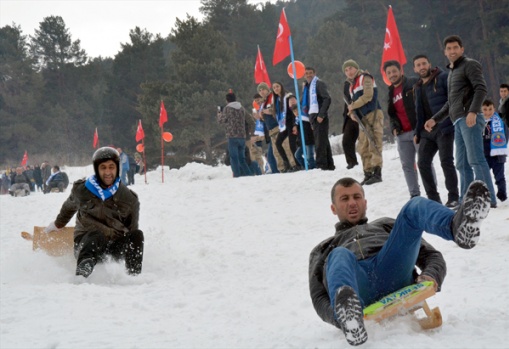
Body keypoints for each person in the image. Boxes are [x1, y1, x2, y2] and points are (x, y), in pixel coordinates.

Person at [309, 177, 491, 346]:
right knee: (339, 254)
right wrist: (339, 319)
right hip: (356, 286)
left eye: (357, 197)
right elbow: (319, 297)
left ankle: (456, 227)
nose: (352, 203)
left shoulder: (385, 224)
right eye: (344, 199)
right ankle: (348, 313)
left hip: (392, 269)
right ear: (333, 208)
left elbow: (432, 256)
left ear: (365, 202)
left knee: (413, 206)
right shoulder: (324, 248)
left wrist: (430, 275)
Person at [43, 147, 144, 278]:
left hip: (113, 246)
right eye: (103, 167)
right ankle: (82, 274)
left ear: (117, 168)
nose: (108, 172)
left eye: (111, 167)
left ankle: (134, 276)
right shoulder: (82, 190)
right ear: (97, 169)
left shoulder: (129, 198)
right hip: (87, 244)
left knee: (137, 235)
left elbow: (132, 229)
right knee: (96, 235)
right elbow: (68, 208)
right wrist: (57, 224)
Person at [425, 35, 497, 208]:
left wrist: (473, 111)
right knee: (462, 163)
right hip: (458, 120)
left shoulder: (470, 65)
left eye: (455, 47)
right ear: (445, 52)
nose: (452, 51)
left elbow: (481, 88)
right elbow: (451, 102)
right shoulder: (452, 72)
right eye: (449, 48)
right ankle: (467, 200)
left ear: (462, 49)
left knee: (476, 160)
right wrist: (435, 119)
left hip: (470, 118)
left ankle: (487, 199)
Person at [413, 54, 459, 207]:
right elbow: (419, 113)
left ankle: (453, 197)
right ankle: (433, 199)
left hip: (444, 127)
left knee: (446, 161)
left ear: (429, 64)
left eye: (424, 64)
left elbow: (451, 100)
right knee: (423, 163)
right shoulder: (418, 87)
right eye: (418, 65)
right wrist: (417, 132)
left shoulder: (442, 78)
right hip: (427, 133)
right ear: (414, 69)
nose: (422, 67)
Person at [343, 59, 384, 184]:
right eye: (346, 70)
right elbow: (351, 105)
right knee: (363, 147)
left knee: (374, 143)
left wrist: (353, 106)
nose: (348, 72)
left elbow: (368, 96)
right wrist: (351, 114)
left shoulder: (365, 78)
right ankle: (368, 172)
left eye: (350, 68)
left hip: (373, 114)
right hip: (361, 118)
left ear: (356, 68)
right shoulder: (351, 86)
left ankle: (377, 173)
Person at [384, 60, 421, 198]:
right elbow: (392, 113)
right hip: (402, 135)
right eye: (389, 73)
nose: (392, 75)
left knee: (424, 164)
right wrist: (394, 128)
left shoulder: (412, 82)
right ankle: (414, 195)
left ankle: (432, 192)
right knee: (407, 166)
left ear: (400, 71)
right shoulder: (390, 92)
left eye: (394, 71)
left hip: (417, 131)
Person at [302, 67, 335, 171]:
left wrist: (321, 115)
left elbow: (327, 98)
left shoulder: (318, 83)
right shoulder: (307, 87)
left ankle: (321, 165)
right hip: (313, 116)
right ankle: (329, 164)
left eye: (310, 73)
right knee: (323, 141)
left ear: (314, 73)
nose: (308, 75)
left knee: (320, 143)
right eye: (306, 73)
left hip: (320, 116)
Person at [217, 90, 252, 178]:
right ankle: (249, 174)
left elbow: (222, 121)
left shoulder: (227, 108)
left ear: (227, 100)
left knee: (234, 158)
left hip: (232, 135)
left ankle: (236, 175)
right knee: (242, 158)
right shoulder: (241, 108)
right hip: (242, 136)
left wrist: (219, 115)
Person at [482, 99, 507, 202]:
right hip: (484, 154)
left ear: (494, 109)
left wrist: (501, 147)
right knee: (483, 176)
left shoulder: (500, 121)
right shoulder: (478, 121)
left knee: (499, 177)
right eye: (485, 109)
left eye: (490, 109)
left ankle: (502, 194)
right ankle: (483, 195)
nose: (488, 112)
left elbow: (506, 136)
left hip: (498, 155)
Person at [272, 82, 299, 172]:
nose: (276, 89)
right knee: (278, 143)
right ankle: (286, 163)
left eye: (277, 86)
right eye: (274, 87)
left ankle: (298, 164)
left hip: (291, 123)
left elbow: (295, 110)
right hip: (284, 125)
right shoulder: (277, 100)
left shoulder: (288, 97)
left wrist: (295, 124)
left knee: (292, 145)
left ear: (281, 87)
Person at [257, 82, 279, 174]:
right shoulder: (264, 101)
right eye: (260, 90)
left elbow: (275, 110)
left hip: (277, 128)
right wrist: (261, 116)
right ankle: (276, 171)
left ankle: (277, 171)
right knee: (271, 155)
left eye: (263, 89)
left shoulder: (272, 98)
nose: (262, 92)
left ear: (268, 89)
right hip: (270, 131)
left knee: (273, 154)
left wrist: (265, 111)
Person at [291, 104, 316, 169]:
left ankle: (313, 167)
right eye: (294, 111)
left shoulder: (305, 118)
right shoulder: (296, 121)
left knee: (309, 156)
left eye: (297, 110)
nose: (296, 113)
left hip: (309, 139)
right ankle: (306, 166)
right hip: (302, 142)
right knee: (297, 155)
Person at [342, 80, 359, 169]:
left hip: (361, 113)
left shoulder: (361, 79)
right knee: (346, 140)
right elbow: (346, 100)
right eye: (346, 70)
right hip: (349, 115)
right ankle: (352, 162)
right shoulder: (346, 84)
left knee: (365, 141)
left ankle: (372, 163)